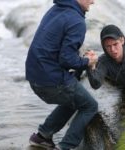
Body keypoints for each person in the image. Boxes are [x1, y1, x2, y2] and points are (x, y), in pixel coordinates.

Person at [25, 0, 97, 149]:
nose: (93, 1)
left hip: (34, 77)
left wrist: (80, 59)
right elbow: (67, 59)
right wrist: (88, 62)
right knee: (90, 105)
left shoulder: (55, 9)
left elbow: (57, 50)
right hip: (50, 81)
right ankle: (66, 146)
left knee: (74, 99)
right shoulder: (77, 21)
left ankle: (42, 136)